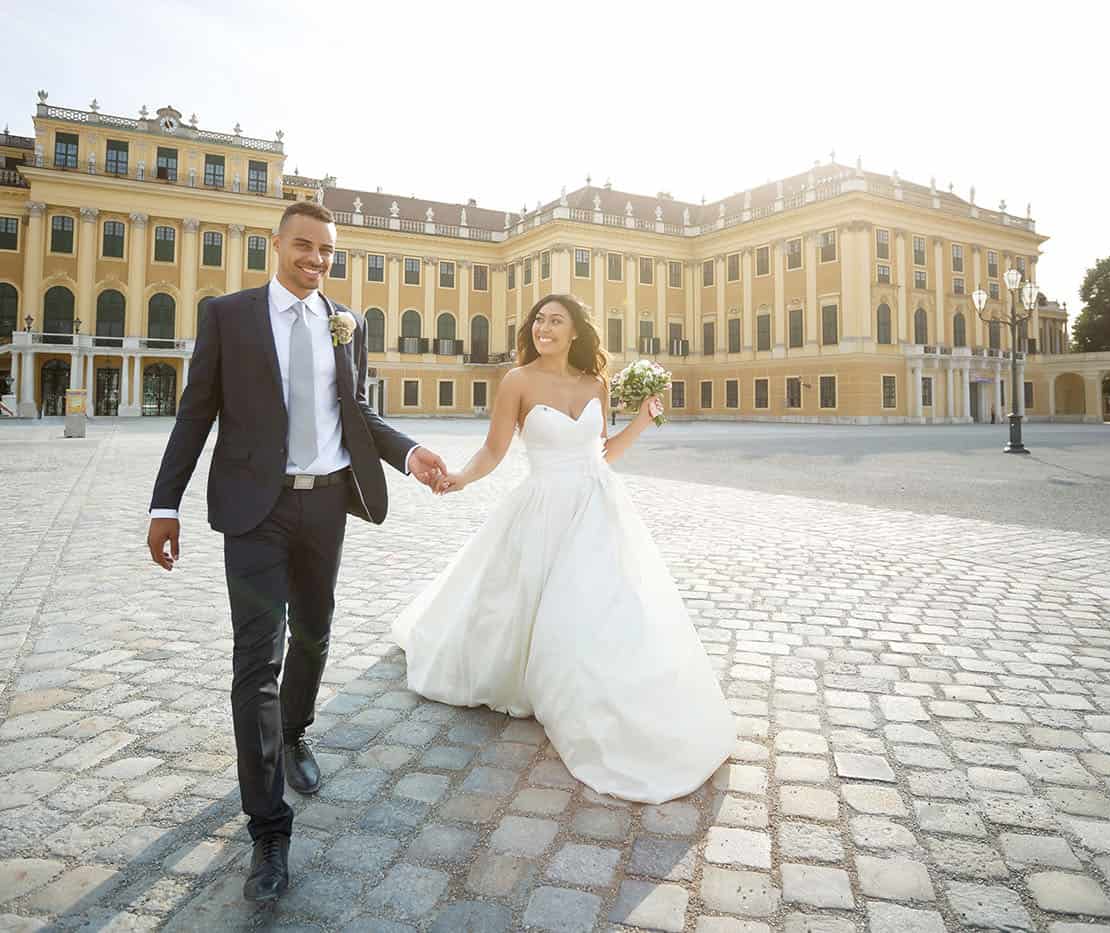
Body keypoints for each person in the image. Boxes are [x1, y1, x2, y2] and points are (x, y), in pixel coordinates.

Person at [145, 201, 449, 902]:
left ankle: (297, 729)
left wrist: (410, 454)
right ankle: (268, 828)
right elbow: (196, 411)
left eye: (327, 253)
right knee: (258, 658)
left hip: (326, 503)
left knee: (315, 631)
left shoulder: (348, 322)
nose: (315, 261)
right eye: (304, 247)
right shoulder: (229, 316)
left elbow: (358, 410)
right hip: (257, 508)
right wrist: (166, 503)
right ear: (276, 244)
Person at [393, 293, 736, 804]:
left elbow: (602, 454)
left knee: (602, 607)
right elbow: (494, 449)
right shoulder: (517, 381)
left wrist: (643, 420)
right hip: (543, 506)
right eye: (538, 320)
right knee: (533, 602)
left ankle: (599, 685)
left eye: (555, 320)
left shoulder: (596, 383)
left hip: (598, 507)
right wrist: (461, 478)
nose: (543, 327)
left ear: (576, 331)